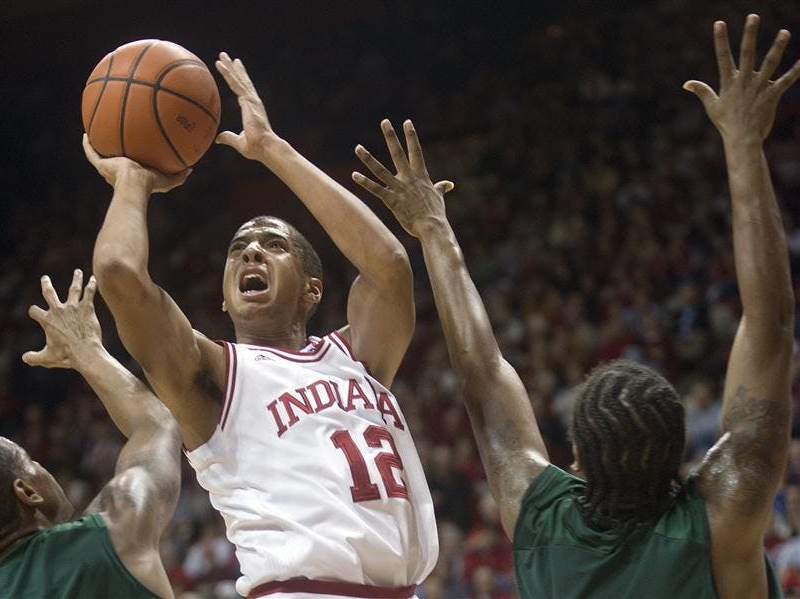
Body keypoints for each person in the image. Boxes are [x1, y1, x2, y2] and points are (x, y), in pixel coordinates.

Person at [353, 14, 798, 599]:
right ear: (684, 456)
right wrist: (745, 147)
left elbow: (483, 374)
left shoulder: (540, 520)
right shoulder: (722, 518)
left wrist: (434, 232)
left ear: (578, 458)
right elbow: (770, 328)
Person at [85, 52, 438, 598]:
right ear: (225, 299)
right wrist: (132, 180)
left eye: (274, 246)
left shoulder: (357, 358)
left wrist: (271, 149)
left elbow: (389, 265)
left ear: (313, 289)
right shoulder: (213, 376)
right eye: (238, 250)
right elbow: (118, 274)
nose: (251, 252)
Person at [0, 270, 182, 599]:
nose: (43, 468)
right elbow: (156, 426)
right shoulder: (116, 532)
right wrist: (86, 352)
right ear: (26, 491)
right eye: (30, 462)